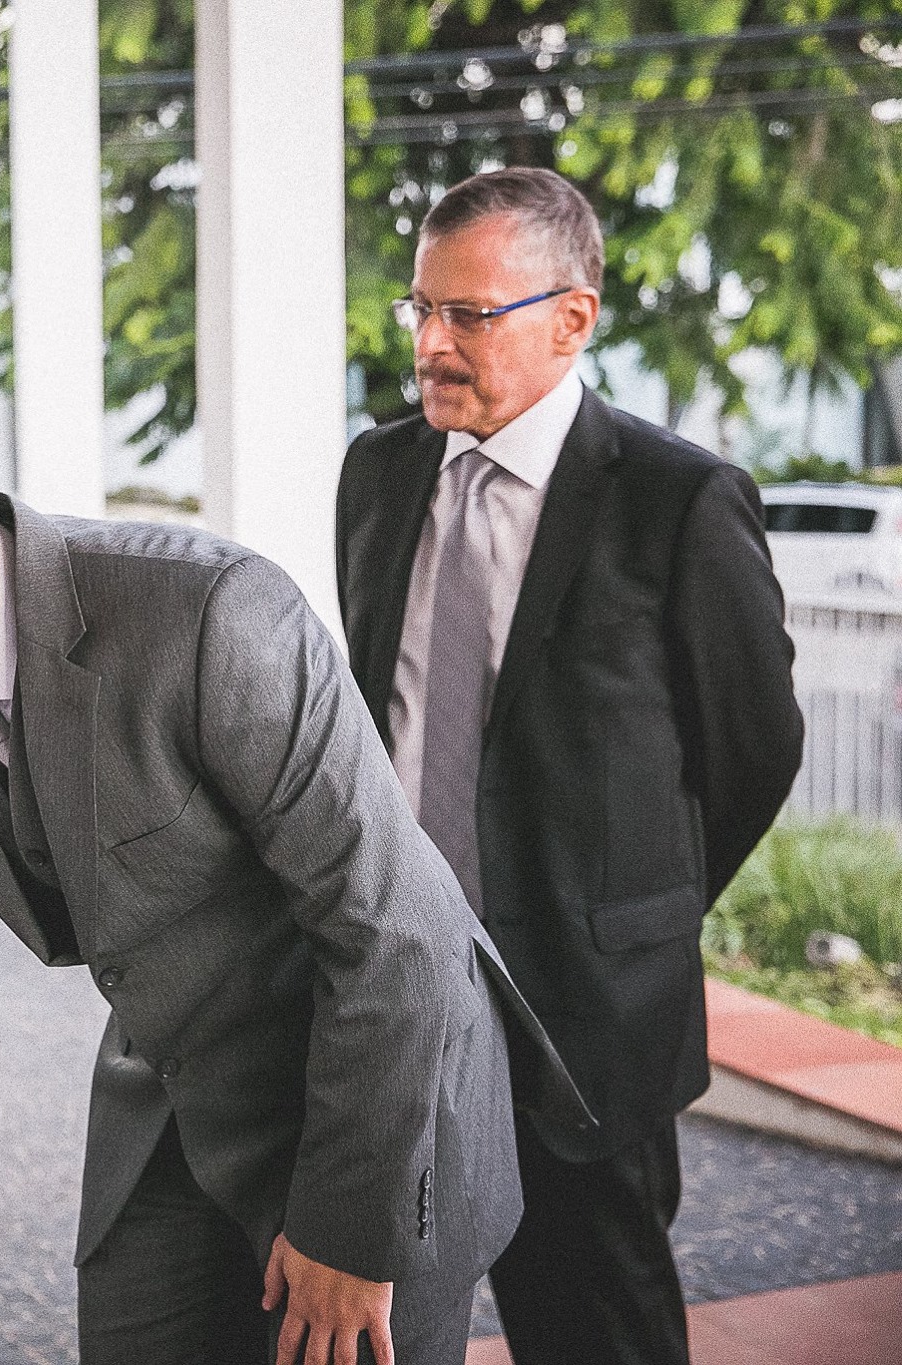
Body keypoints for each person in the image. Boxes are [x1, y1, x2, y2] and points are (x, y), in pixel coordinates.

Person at [0, 355, 590, 1365]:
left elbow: (396, 933)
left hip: (379, 1101)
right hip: (171, 1107)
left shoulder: (214, 616)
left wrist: (352, 1233)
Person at [335, 167, 803, 1365]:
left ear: (571, 318)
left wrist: (622, 915)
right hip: (398, 1001)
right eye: (420, 308)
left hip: (585, 1026)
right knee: (365, 1321)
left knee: (595, 1332)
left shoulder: (677, 501)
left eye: (468, 315)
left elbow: (751, 754)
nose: (430, 344)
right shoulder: (377, 476)